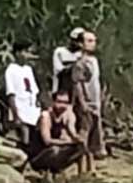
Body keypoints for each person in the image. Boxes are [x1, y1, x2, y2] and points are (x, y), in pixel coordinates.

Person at [70, 30, 106, 166]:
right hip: (86, 103)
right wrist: (82, 102)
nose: (93, 44)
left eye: (94, 41)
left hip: (95, 103)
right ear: (81, 43)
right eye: (89, 41)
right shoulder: (79, 63)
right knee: (84, 133)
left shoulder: (94, 61)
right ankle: (81, 166)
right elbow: (77, 84)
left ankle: (91, 166)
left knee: (93, 135)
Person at [28, 91, 86, 175]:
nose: (62, 105)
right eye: (59, 102)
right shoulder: (46, 116)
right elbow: (47, 141)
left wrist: (78, 139)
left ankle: (82, 176)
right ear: (53, 102)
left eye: (65, 102)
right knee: (55, 150)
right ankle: (48, 171)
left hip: (54, 151)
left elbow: (72, 132)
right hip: (39, 154)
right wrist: (68, 142)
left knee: (81, 148)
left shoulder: (67, 115)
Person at [4, 39, 41, 144]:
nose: (28, 55)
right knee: (24, 140)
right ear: (18, 53)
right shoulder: (11, 70)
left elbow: (34, 90)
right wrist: (16, 116)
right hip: (21, 111)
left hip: (32, 112)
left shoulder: (28, 69)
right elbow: (11, 94)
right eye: (26, 52)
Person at [52, 28, 83, 93]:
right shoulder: (60, 52)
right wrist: (75, 65)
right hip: (61, 91)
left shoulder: (81, 54)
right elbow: (60, 70)